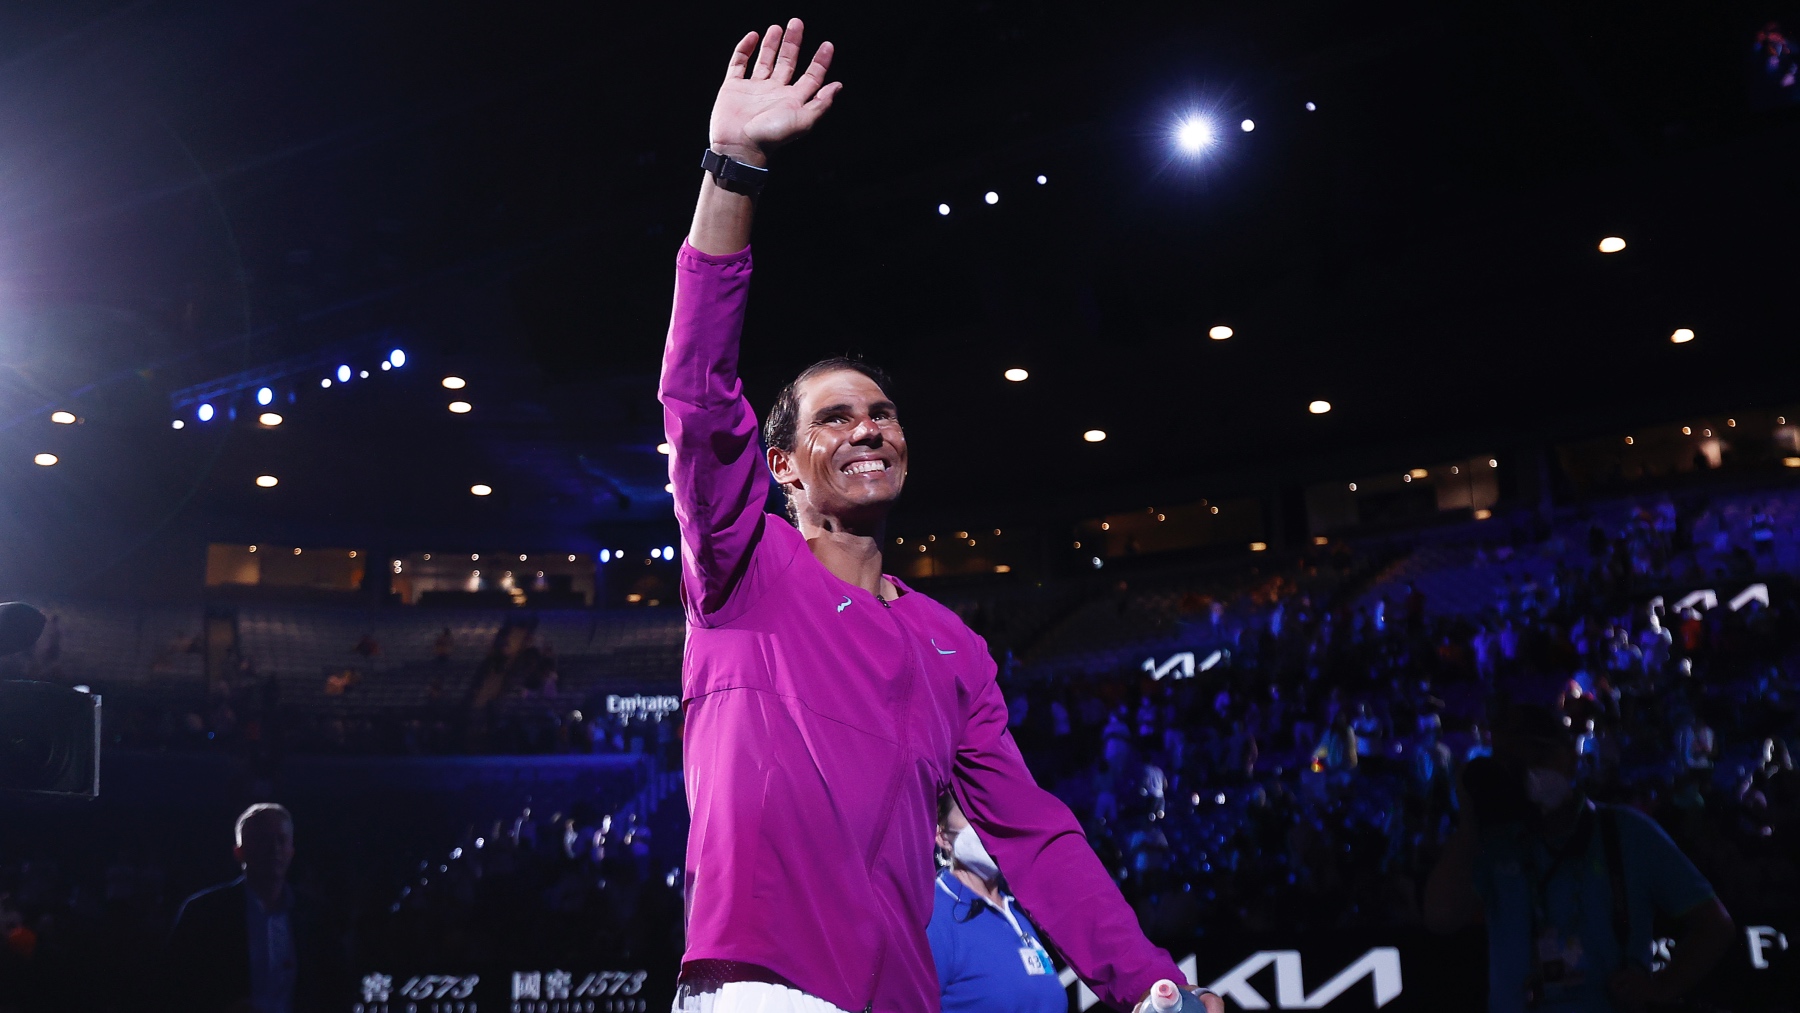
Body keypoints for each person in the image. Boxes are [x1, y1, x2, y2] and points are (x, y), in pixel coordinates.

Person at [662, 19, 1218, 1013]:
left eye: (882, 411)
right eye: (836, 417)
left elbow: (1034, 835)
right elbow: (699, 397)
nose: (869, 428)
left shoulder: (953, 646)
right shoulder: (742, 568)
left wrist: (1147, 980)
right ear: (782, 463)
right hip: (763, 991)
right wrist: (733, 168)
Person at [1423, 706, 1734, 1012]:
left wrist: (1662, 987)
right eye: (1515, 763)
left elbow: (1714, 925)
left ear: (1571, 759)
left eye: (1541, 756)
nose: (1530, 771)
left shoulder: (1625, 832)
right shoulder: (1495, 844)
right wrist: (1470, 819)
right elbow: (1440, 917)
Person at [166, 803, 337, 1013]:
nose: (273, 848)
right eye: (263, 840)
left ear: (291, 850)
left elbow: (334, 986)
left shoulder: (315, 914)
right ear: (239, 852)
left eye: (280, 840)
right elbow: (175, 984)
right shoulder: (204, 914)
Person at [927, 796, 1068, 1013]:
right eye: (971, 811)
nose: (986, 823)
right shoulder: (933, 914)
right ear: (942, 836)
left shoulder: (1018, 910)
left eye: (991, 811)